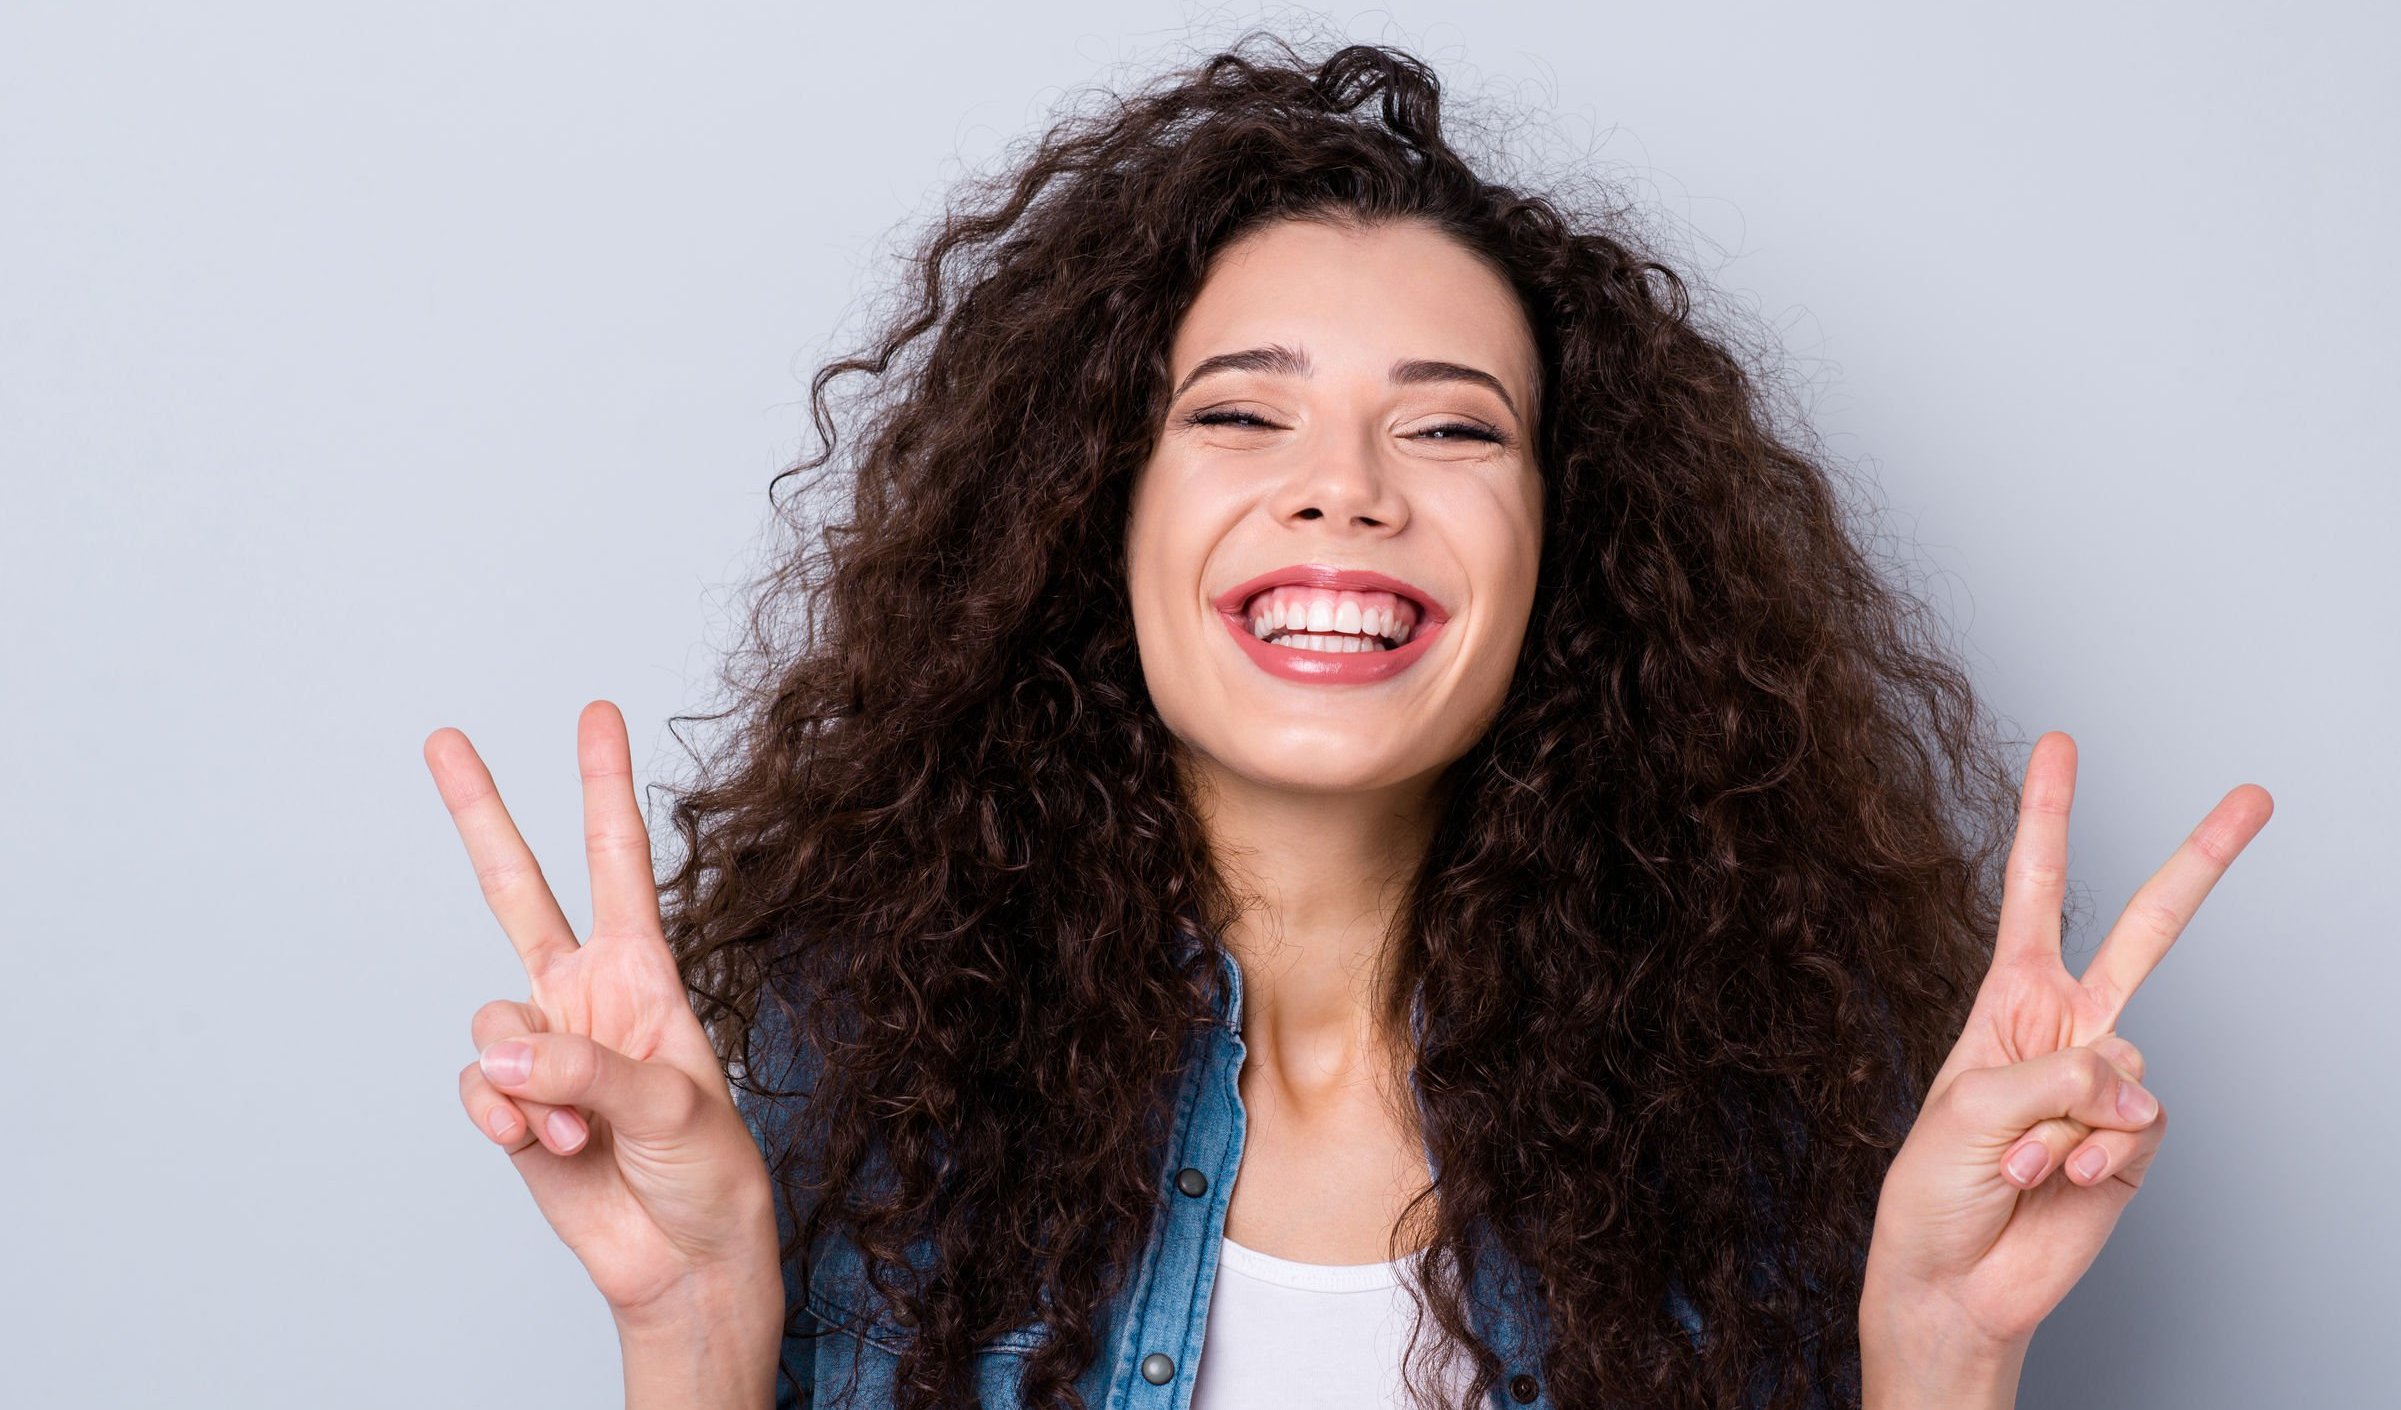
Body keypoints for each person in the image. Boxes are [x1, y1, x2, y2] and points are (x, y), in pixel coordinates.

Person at [424, 36, 2272, 1410]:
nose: (1346, 491)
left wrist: (1941, 1357)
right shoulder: (877, 1080)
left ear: (1570, 543)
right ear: (1099, 511)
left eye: (1453, 425)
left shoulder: (1755, 1120)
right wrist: (688, 1335)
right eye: (1241, 413)